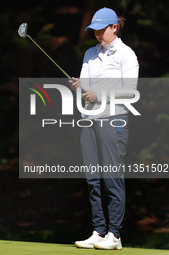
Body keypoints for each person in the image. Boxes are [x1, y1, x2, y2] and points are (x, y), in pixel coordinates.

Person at [69, 7, 139, 250]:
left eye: (101, 30)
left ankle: (115, 235)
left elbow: (130, 91)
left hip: (114, 120)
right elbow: (86, 85)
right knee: (92, 179)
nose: (97, 34)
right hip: (89, 120)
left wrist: (98, 93)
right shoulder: (90, 52)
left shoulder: (126, 55)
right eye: (94, 30)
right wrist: (80, 87)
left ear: (114, 28)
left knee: (111, 177)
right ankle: (99, 231)